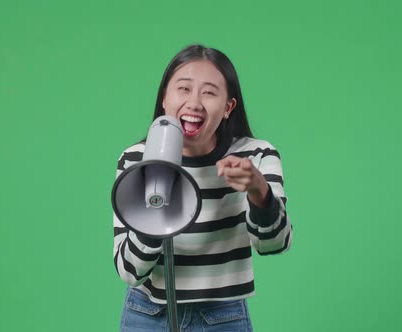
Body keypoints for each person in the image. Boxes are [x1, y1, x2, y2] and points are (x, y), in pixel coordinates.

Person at [113, 44, 293, 331]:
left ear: (227, 107)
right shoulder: (137, 159)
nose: (194, 103)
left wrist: (259, 191)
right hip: (147, 315)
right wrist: (156, 194)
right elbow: (130, 271)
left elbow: (275, 244)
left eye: (209, 92)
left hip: (222, 315)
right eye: (183, 89)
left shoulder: (255, 156)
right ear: (164, 98)